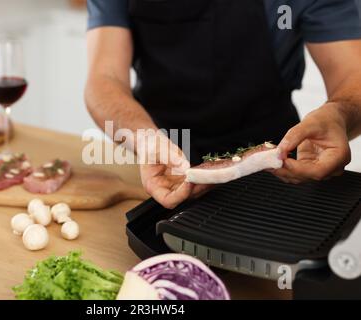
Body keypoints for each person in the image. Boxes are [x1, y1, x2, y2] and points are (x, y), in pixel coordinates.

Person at [85, 0, 361, 208]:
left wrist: (338, 114)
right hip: (163, 161)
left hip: (279, 163)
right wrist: (144, 140)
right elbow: (104, 79)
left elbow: (353, 77)